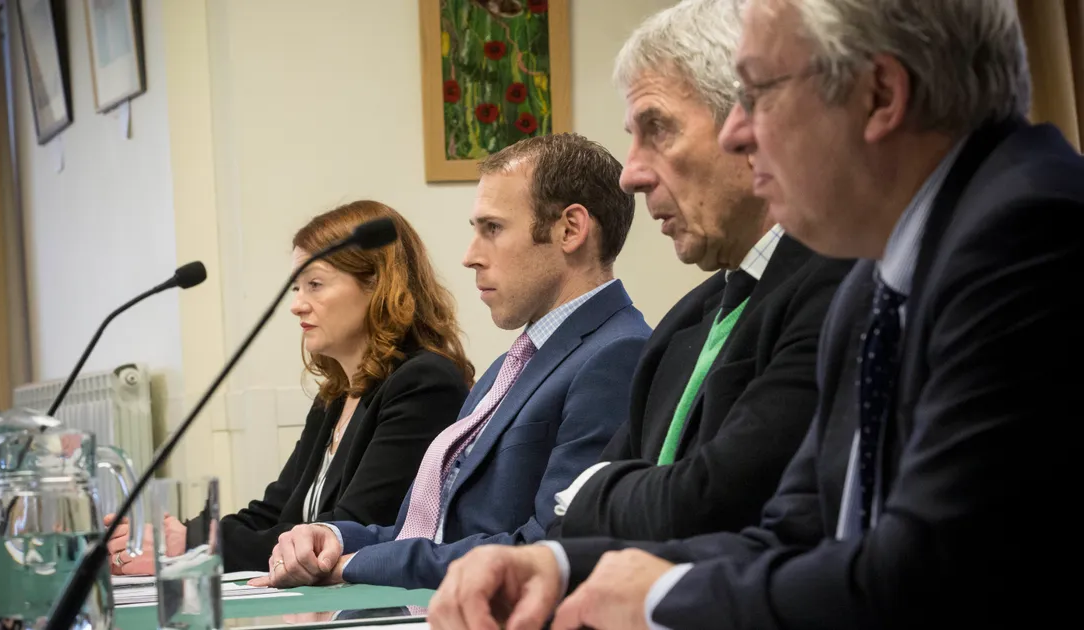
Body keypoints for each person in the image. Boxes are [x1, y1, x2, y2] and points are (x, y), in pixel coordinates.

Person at [427, 0, 1083, 628]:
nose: (740, 131)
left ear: (880, 95)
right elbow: (795, 534)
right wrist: (559, 562)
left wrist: (663, 595)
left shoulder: (1031, 236)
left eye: (760, 93)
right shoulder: (879, 276)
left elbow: (927, 576)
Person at [249, 132, 651, 591]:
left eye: (492, 229)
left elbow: (550, 549)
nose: (469, 256)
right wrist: (332, 538)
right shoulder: (508, 367)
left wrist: (354, 564)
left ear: (570, 230)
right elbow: (423, 532)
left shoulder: (616, 354)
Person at [548, 0, 852, 544]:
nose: (631, 175)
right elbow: (568, 521)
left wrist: (598, 493)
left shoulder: (835, 285)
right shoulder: (685, 319)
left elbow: (712, 505)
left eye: (657, 129)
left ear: (749, 125)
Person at [107, 200, 473, 574]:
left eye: (314, 284)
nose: (297, 305)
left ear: (378, 284)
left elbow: (348, 529)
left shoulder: (424, 384)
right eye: (296, 287)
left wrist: (194, 546)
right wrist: (178, 534)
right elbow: (274, 511)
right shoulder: (335, 396)